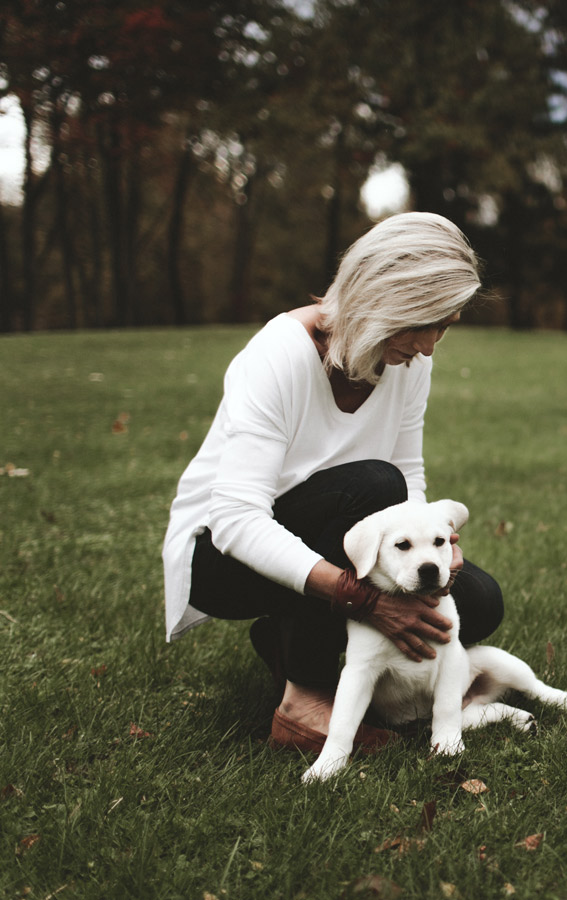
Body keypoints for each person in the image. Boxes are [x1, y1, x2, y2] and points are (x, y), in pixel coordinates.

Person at [162, 212, 503, 753]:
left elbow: (410, 478)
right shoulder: (279, 354)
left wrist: (434, 546)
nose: (432, 345)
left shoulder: (410, 360)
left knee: (478, 601)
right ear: (384, 301)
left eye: (446, 325)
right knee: (373, 486)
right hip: (222, 561)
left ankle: (284, 638)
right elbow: (235, 519)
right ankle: (304, 701)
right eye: (425, 323)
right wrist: (362, 600)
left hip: (338, 532)